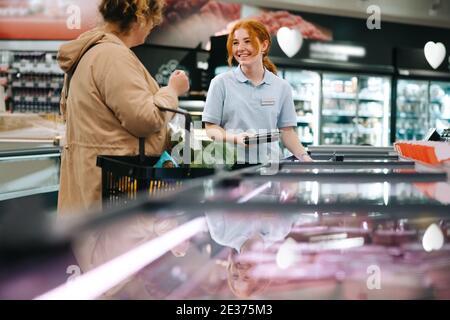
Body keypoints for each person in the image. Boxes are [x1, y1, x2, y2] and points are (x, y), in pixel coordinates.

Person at [57, 0, 189, 215]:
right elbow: (145, 119)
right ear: (140, 17)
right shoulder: (113, 56)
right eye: (152, 23)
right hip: (113, 186)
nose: (151, 29)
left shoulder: (91, 53)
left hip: (93, 178)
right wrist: (172, 91)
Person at [202, 19, 313, 164]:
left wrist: (306, 158)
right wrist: (236, 138)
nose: (240, 48)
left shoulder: (281, 87)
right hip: (231, 166)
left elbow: (287, 132)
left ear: (264, 45)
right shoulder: (220, 83)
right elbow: (210, 128)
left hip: (271, 165)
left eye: (247, 41)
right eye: (235, 43)